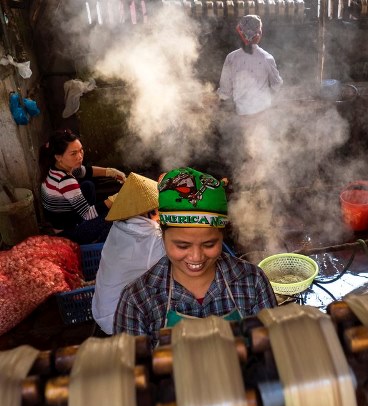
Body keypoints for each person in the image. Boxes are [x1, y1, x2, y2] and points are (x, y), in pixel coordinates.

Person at [114, 167, 277, 349]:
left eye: (209, 244)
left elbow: (274, 353)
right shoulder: (137, 300)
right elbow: (131, 370)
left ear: (222, 236)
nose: (196, 257)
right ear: (162, 233)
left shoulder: (252, 281)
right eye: (182, 246)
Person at [91, 173, 166, 335]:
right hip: (118, 319)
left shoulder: (121, 225)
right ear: (151, 211)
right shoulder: (151, 238)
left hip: (102, 308)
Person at [39, 129, 126, 244]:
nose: (80, 156)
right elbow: (88, 214)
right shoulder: (66, 181)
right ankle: (96, 242)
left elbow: (86, 171)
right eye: (74, 153)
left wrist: (110, 172)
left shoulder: (56, 168)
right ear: (58, 156)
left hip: (63, 220)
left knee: (88, 186)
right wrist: (115, 199)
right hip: (68, 234)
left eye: (81, 150)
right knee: (114, 216)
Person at [217, 15, 283, 117]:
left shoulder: (231, 58)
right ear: (259, 34)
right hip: (263, 114)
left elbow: (225, 92)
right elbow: (277, 85)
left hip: (240, 115)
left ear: (240, 33)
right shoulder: (267, 58)